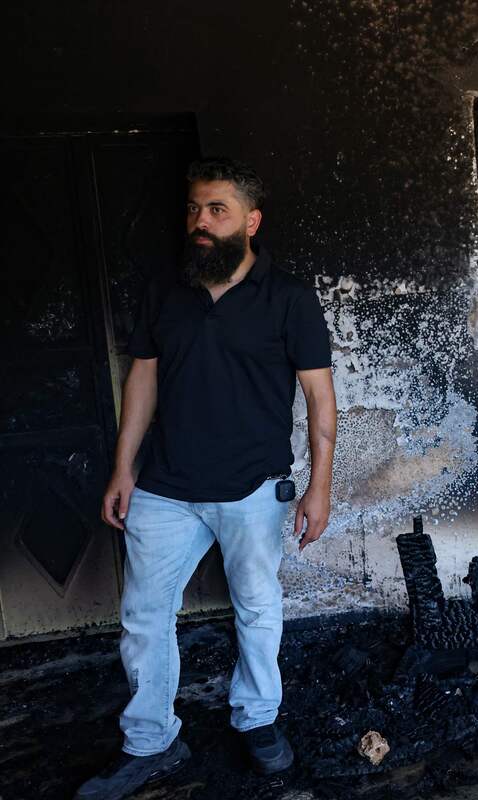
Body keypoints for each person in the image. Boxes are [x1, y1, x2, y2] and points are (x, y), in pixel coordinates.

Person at [77, 158, 337, 800]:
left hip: (253, 488)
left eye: (216, 210)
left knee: (257, 607)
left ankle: (258, 719)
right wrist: (123, 468)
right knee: (144, 615)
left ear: (251, 221)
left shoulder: (289, 299)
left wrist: (321, 485)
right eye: (194, 209)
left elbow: (319, 399)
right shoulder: (168, 290)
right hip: (165, 486)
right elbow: (143, 377)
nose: (200, 221)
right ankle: (151, 741)